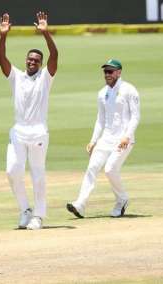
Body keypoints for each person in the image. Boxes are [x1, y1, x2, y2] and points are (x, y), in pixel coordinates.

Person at [0, 12, 58, 230]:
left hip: (39, 131)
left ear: (40, 64)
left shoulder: (45, 78)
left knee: (38, 174)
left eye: (36, 60)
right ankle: (25, 210)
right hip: (18, 131)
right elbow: (1, 60)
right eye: (29, 59)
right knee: (12, 171)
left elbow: (55, 56)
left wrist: (46, 33)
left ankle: (39, 216)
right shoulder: (16, 77)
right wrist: (3, 36)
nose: (32, 62)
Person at [66, 59, 140, 218]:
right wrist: (93, 141)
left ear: (119, 72)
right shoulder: (102, 93)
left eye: (110, 71)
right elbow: (100, 120)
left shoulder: (129, 90)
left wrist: (127, 136)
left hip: (123, 139)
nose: (107, 74)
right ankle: (80, 204)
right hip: (106, 138)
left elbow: (135, 116)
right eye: (105, 71)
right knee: (92, 168)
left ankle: (122, 199)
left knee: (110, 169)